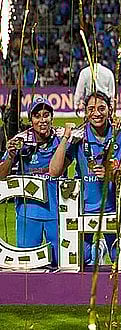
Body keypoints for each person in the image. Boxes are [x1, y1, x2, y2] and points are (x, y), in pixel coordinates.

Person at [49, 91, 121, 266]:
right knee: (81, 260)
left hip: (113, 208)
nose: (96, 113)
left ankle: (101, 248)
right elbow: (54, 171)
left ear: (110, 110)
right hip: (84, 209)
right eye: (91, 109)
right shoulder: (79, 137)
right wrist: (66, 138)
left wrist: (111, 173)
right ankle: (96, 250)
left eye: (101, 108)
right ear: (85, 112)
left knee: (120, 260)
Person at [0, 98, 61, 266]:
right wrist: (10, 156)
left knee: (60, 265)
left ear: (52, 117)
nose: (42, 120)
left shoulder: (61, 138)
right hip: (28, 213)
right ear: (30, 119)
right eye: (37, 116)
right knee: (27, 267)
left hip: (56, 212)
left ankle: (95, 250)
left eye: (46, 115)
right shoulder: (20, 141)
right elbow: (1, 175)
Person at [74, 44, 117, 115]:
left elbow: (79, 91)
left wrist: (76, 105)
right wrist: (112, 107)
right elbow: (112, 93)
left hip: (90, 102)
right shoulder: (108, 72)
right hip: (104, 103)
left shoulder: (85, 72)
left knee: (90, 120)